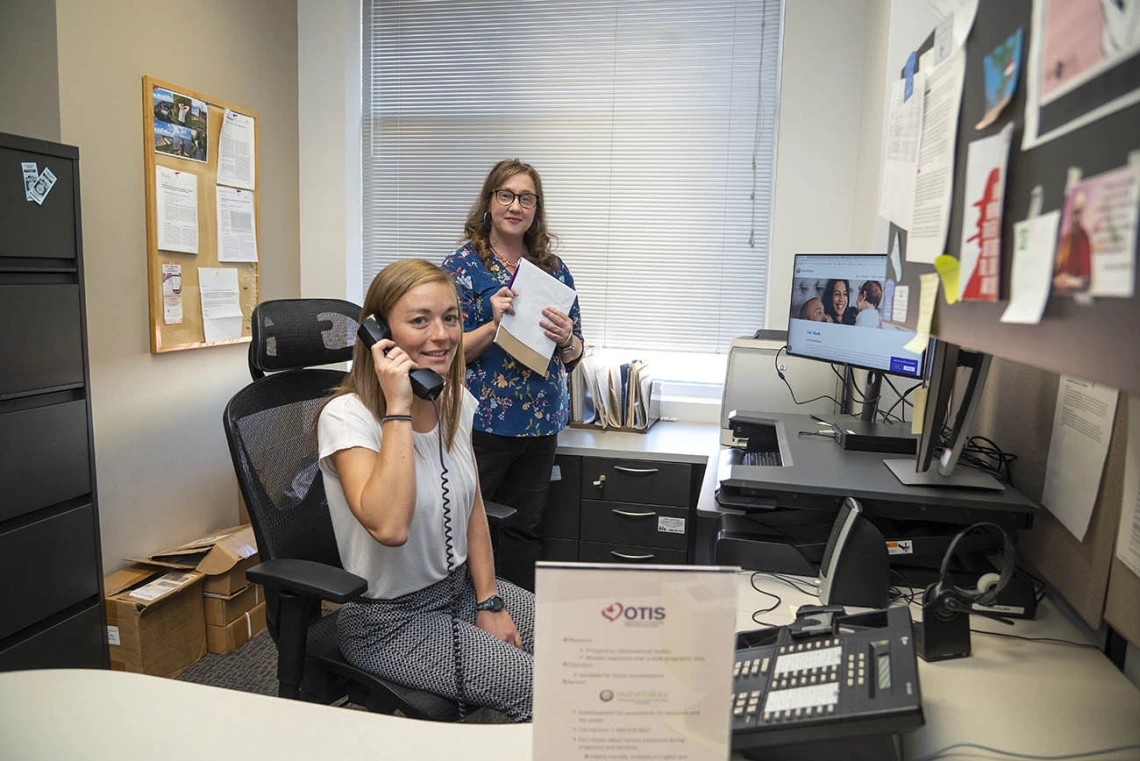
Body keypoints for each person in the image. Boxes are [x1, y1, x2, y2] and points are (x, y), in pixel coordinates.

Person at [316, 259, 534, 722]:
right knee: (541, 691)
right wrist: (398, 405)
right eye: (420, 320)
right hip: (389, 622)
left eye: (450, 318)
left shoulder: (453, 401)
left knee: (580, 649)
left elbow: (472, 502)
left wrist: (489, 599)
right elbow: (391, 526)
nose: (443, 335)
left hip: (460, 590)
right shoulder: (346, 418)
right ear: (379, 333)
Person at [441, 159, 583, 593]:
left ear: (536, 209)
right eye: (506, 195)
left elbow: (576, 355)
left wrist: (566, 338)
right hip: (483, 424)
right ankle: (472, 615)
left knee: (526, 529)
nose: (515, 206)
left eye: (526, 198)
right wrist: (492, 323)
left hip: (541, 423)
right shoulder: (462, 267)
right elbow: (444, 353)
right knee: (471, 526)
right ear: (489, 202)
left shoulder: (553, 268)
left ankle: (520, 618)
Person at [1054, 191, 1091, 293]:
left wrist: (1072, 281)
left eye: (1078, 213)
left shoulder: (1085, 239)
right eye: (1073, 213)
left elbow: (1087, 280)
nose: (1075, 219)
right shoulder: (1065, 239)